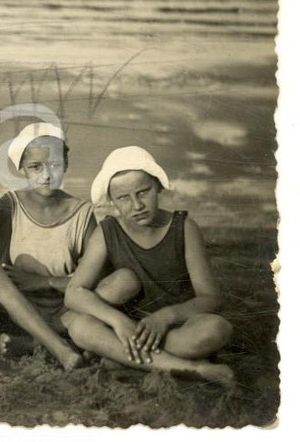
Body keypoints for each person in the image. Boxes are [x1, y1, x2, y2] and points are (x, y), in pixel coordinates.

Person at [64, 146, 234, 387]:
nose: (137, 205)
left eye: (143, 192)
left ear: (158, 187)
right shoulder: (107, 232)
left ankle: (123, 358)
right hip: (129, 330)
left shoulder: (184, 227)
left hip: (173, 330)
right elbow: (73, 293)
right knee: (81, 327)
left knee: (217, 329)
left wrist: (165, 317)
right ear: (112, 201)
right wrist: (118, 321)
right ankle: (193, 369)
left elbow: (212, 298)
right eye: (123, 198)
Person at [0, 123, 94, 370]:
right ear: (22, 169)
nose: (46, 175)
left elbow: (92, 277)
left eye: (55, 165)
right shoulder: (10, 205)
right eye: (35, 167)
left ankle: (35, 343)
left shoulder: (82, 212)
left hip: (64, 310)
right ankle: (59, 348)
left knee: (112, 288)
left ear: (66, 164)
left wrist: (43, 282)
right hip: (19, 309)